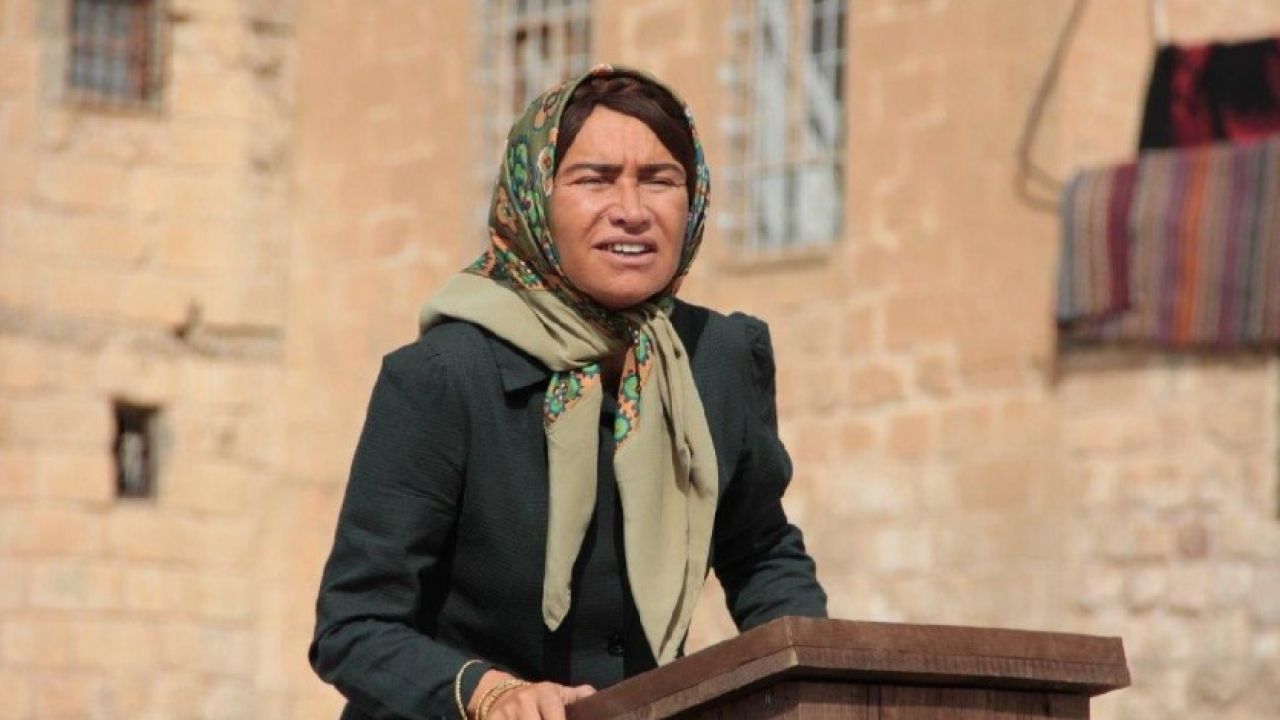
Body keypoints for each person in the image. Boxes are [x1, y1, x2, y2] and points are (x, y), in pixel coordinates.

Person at [309, 65, 827, 720]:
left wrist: (813, 678)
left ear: (693, 200)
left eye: (660, 180)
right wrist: (488, 693)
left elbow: (759, 551)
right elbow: (354, 626)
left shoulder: (718, 359)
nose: (632, 211)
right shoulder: (444, 378)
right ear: (536, 199)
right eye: (594, 179)